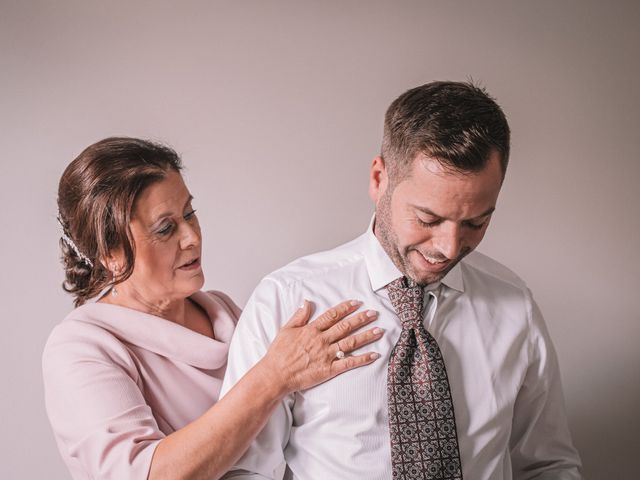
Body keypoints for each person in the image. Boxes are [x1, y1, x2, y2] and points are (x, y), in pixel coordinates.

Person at [220, 81, 583, 479]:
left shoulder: (515, 305)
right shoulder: (288, 300)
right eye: (428, 219)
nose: (448, 247)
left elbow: (547, 464)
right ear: (379, 179)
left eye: (476, 222)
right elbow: (246, 470)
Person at [42, 137, 385, 480]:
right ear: (110, 254)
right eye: (166, 228)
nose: (191, 236)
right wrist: (273, 377)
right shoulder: (81, 350)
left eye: (189, 213)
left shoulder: (226, 312)